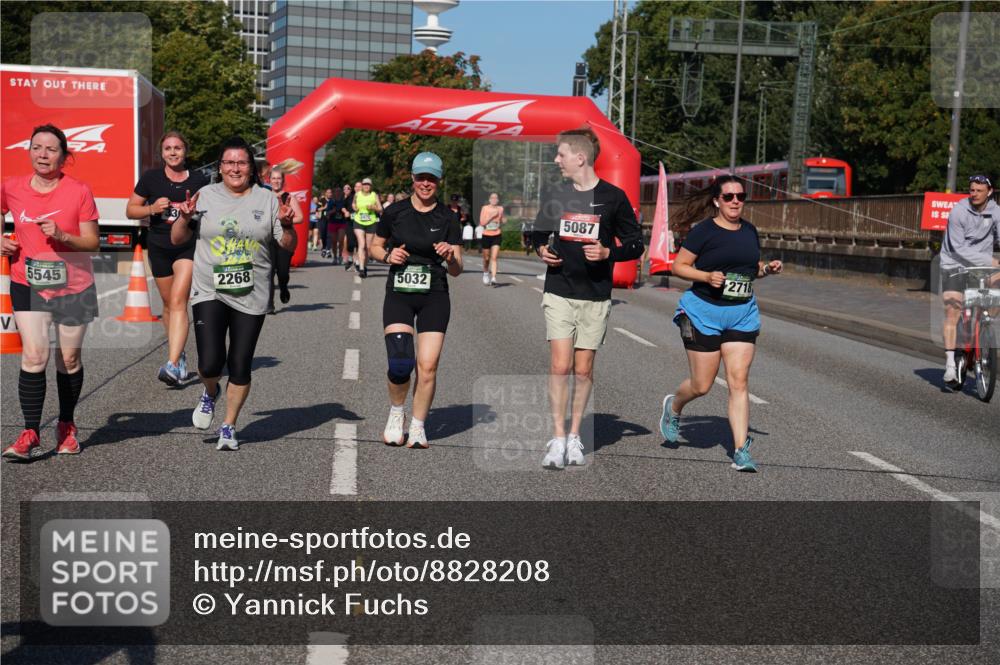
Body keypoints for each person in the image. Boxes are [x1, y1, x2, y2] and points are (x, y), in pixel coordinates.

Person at [170, 136, 297, 451]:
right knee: (210, 363)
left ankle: (228, 425)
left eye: (241, 162)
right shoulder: (204, 196)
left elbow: (287, 246)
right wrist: (185, 218)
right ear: (220, 166)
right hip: (209, 287)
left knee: (240, 363)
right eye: (229, 162)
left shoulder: (267, 200)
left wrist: (287, 225)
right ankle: (210, 391)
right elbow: (176, 239)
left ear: (252, 168)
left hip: (251, 291)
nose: (235, 168)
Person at [532, 127, 644, 470]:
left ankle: (576, 434)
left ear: (580, 158)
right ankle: (557, 436)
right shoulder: (555, 194)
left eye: (561, 154)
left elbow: (636, 243)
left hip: (595, 295)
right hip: (560, 291)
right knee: (560, 365)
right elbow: (537, 232)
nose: (557, 160)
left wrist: (609, 251)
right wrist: (540, 249)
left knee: (582, 370)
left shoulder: (613, 197)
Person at [657, 175, 782, 472]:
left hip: (742, 312)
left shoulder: (750, 231)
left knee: (738, 381)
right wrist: (706, 276)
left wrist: (766, 269)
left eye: (741, 196)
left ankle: (740, 451)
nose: (736, 201)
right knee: (702, 385)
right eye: (729, 197)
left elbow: (749, 271)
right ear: (717, 201)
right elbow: (678, 267)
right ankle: (674, 407)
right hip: (703, 312)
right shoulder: (703, 232)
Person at [1, 124, 100, 460]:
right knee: (34, 355)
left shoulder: (79, 191)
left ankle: (67, 425)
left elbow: (92, 242)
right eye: (36, 148)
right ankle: (30, 432)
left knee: (68, 359)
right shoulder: (12, 187)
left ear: (64, 156)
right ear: (29, 150)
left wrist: (62, 234)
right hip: (28, 281)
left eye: (51, 149)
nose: (42, 155)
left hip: (75, 285)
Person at [370, 152, 463, 449]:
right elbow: (375, 246)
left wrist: (450, 256)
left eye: (432, 178)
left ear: (438, 181)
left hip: (435, 295)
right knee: (400, 361)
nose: (426, 183)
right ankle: (397, 413)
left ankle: (419, 426)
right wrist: (387, 256)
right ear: (412, 178)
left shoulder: (448, 218)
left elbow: (457, 269)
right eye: (421, 177)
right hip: (399, 293)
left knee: (428, 365)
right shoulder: (395, 212)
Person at [127, 130, 209, 386]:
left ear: (186, 151)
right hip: (159, 245)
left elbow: (211, 211)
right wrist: (152, 208)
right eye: (168, 149)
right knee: (167, 304)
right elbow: (130, 210)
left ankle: (172, 364)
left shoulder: (199, 180)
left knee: (178, 300)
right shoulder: (151, 178)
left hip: (186, 245)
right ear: (162, 153)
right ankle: (180, 354)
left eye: (178, 148)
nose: (173, 152)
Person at [939, 174, 1000, 387]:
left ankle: (985, 329)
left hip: (980, 267)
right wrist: (990, 260)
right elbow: (958, 248)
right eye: (971, 190)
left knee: (997, 290)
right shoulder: (959, 211)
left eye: (978, 190)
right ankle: (949, 364)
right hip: (954, 264)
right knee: (952, 308)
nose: (973, 193)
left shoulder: (996, 212)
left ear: (989, 192)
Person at [267, 168, 302, 313]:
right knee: (267, 272)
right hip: (267, 238)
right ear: (269, 180)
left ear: (283, 181)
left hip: (285, 238)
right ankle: (269, 304)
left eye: (279, 178)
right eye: (273, 178)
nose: (276, 181)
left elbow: (300, 217)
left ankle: (283, 286)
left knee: (282, 272)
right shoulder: (264, 196)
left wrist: (287, 219)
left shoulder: (289, 198)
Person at [351, 177, 382, 278]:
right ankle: (361, 268)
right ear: (362, 185)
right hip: (358, 221)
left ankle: (364, 266)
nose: (366, 186)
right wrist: (354, 207)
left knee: (368, 248)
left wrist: (374, 207)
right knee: (362, 244)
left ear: (371, 186)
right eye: (364, 184)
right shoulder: (357, 194)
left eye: (368, 185)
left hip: (371, 222)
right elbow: (353, 203)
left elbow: (380, 209)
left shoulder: (374, 195)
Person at [479, 192, 505, 286]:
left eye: (496, 198)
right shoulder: (485, 208)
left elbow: (502, 219)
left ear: (498, 200)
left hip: (497, 234)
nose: (494, 199)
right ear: (489, 199)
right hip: (486, 234)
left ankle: (493, 278)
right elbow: (482, 223)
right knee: (486, 258)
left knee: (494, 257)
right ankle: (486, 273)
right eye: (492, 198)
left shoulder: (500, 209)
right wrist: (491, 216)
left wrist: (503, 220)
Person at [327, 185, 349, 265]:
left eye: (339, 192)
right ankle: (335, 257)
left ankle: (340, 256)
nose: (338, 193)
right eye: (336, 192)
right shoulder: (331, 202)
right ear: (334, 193)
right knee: (333, 241)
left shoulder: (344, 201)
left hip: (342, 223)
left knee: (341, 240)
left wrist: (345, 212)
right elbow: (327, 213)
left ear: (341, 193)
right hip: (332, 222)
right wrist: (333, 211)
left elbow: (347, 210)